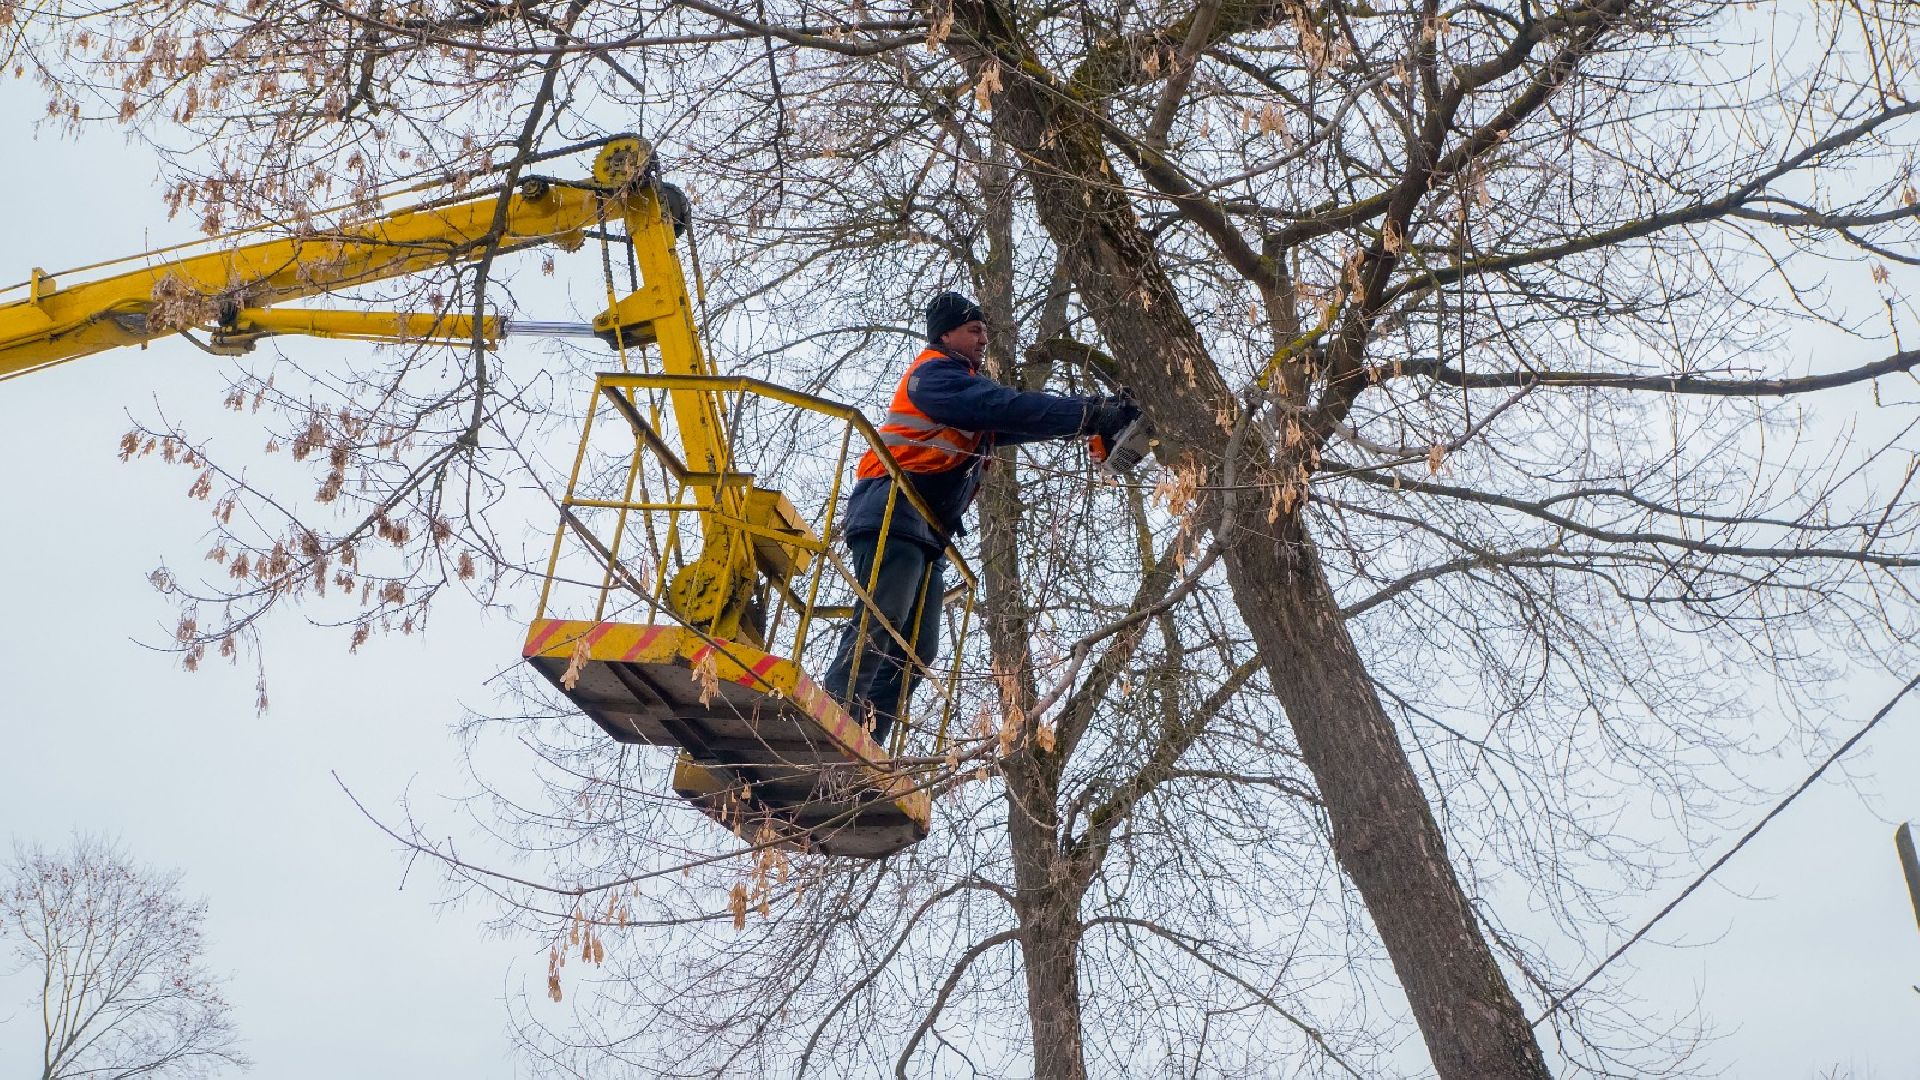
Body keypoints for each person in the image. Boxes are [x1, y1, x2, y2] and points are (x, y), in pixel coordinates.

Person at [821, 291, 1138, 748]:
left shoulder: (964, 394)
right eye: (974, 330)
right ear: (946, 334)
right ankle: (837, 715)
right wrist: (1093, 412)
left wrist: (1091, 417)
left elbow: (1023, 419)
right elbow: (1004, 407)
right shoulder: (934, 378)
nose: (984, 337)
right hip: (890, 508)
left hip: (923, 527)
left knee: (920, 647)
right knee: (884, 616)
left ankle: (867, 738)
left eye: (985, 329)